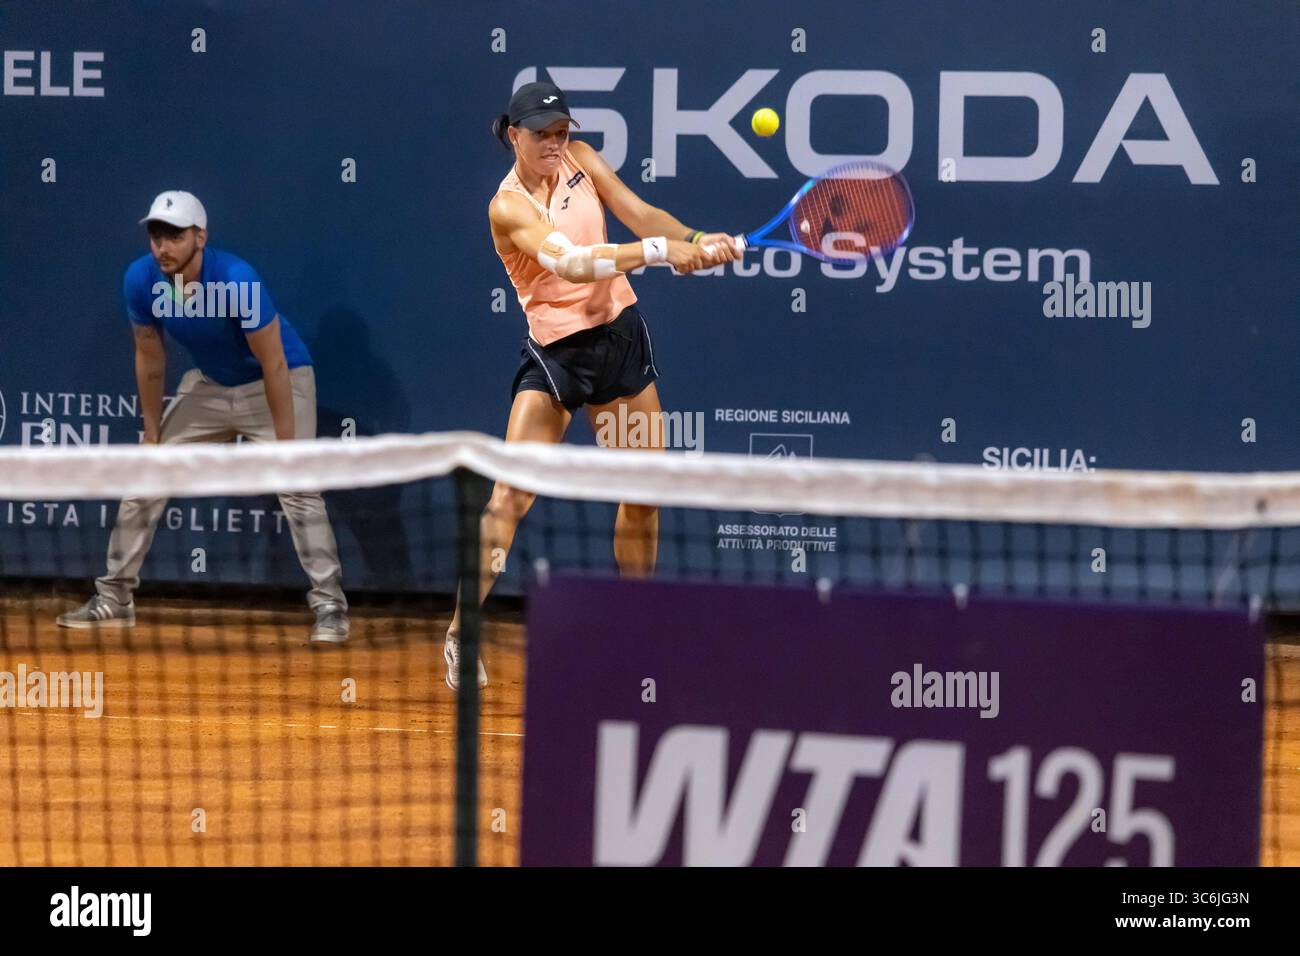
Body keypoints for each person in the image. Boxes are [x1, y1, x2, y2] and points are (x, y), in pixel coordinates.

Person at [442, 81, 739, 689]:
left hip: (619, 346)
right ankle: (461, 630)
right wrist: (661, 253)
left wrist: (693, 240)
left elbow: (640, 212)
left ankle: (635, 623)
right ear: (514, 135)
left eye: (561, 131)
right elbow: (572, 263)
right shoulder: (508, 206)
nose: (556, 143)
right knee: (510, 499)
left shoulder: (583, 160)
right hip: (559, 358)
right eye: (543, 134)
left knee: (644, 490)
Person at [57, 191, 350, 644]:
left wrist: (288, 446)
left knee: (298, 486)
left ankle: (330, 605)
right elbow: (150, 357)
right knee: (146, 475)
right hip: (210, 386)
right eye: (156, 235)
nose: (162, 246)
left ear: (201, 236)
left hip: (279, 380)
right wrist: (152, 435)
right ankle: (115, 598)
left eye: (174, 235)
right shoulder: (141, 280)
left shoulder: (237, 280)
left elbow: (273, 362)